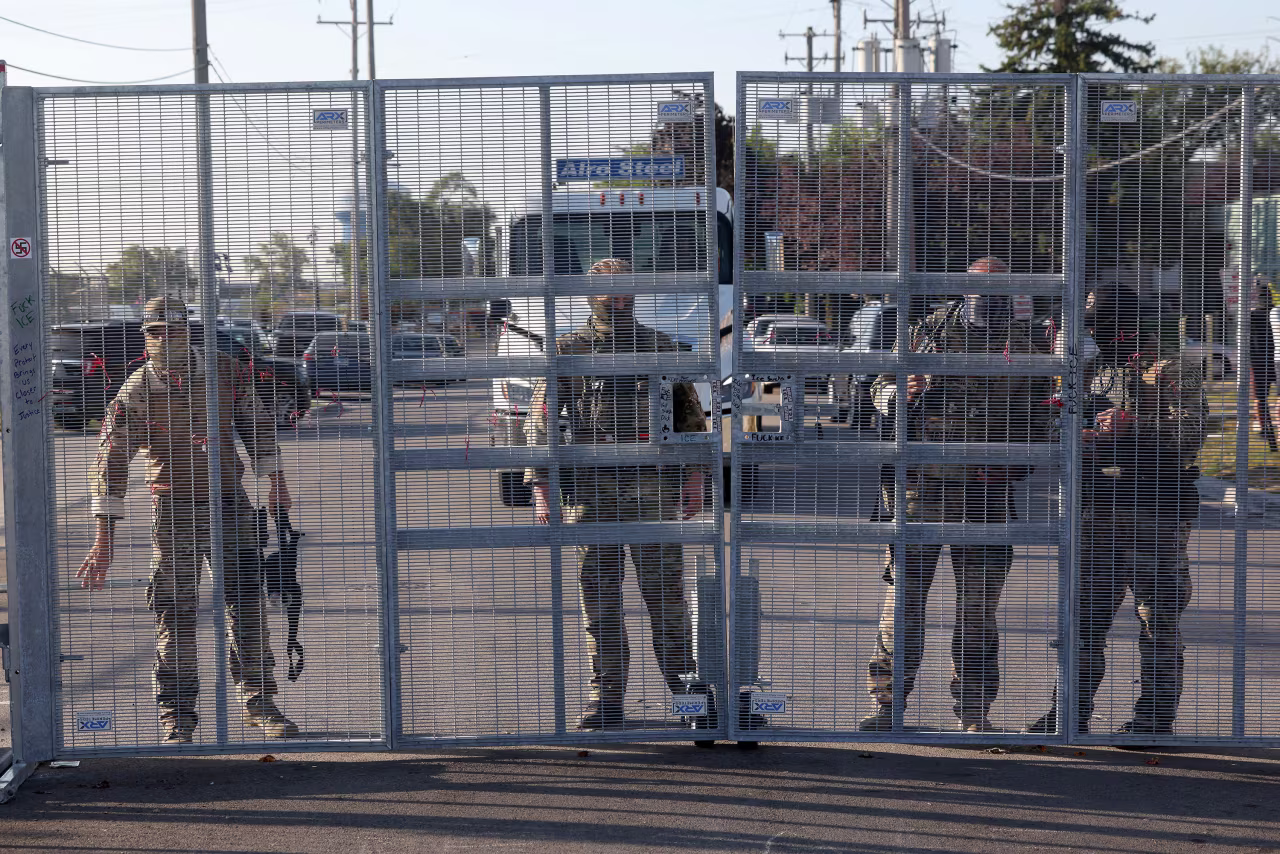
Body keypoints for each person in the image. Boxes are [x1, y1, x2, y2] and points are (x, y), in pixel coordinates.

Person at [78, 296, 298, 743]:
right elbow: (111, 460)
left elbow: (255, 421)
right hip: (174, 509)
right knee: (175, 613)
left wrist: (275, 479)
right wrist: (104, 540)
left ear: (187, 331)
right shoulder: (139, 388)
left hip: (230, 504)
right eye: (154, 332)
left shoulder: (224, 370)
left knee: (248, 605)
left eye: (171, 330)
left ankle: (260, 703)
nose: (163, 338)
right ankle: (177, 717)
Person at [861, 257, 1055, 733]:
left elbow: (1043, 415)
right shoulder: (926, 332)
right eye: (978, 289)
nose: (989, 298)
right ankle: (887, 706)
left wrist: (1022, 454)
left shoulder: (1026, 344)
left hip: (985, 493)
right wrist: (900, 395)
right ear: (962, 290)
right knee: (903, 600)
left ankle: (974, 713)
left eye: (999, 289)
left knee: (977, 610)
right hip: (918, 489)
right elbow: (877, 386)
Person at [525, 258, 710, 730]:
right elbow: (542, 421)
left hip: (653, 493)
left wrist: (695, 479)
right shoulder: (568, 350)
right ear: (589, 294)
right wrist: (543, 486)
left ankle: (686, 694)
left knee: (666, 598)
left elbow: (690, 420)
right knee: (600, 598)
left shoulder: (659, 346)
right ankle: (605, 698)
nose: (617, 298)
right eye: (606, 290)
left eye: (625, 289)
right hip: (593, 495)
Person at [1026, 280, 1206, 738]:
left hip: (1157, 509)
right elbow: (1052, 421)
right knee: (1085, 615)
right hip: (1099, 507)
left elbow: (1192, 435)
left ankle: (1153, 717)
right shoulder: (1086, 368)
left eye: (1097, 324)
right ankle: (1070, 714)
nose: (1090, 333)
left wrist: (1133, 425)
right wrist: (1074, 432)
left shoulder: (1171, 365)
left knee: (1158, 615)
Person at [1249, 279, 1277, 453]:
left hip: (1258, 361)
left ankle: (1266, 430)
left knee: (1261, 399)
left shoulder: (1251, 316)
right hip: (1274, 360)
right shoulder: (1276, 312)